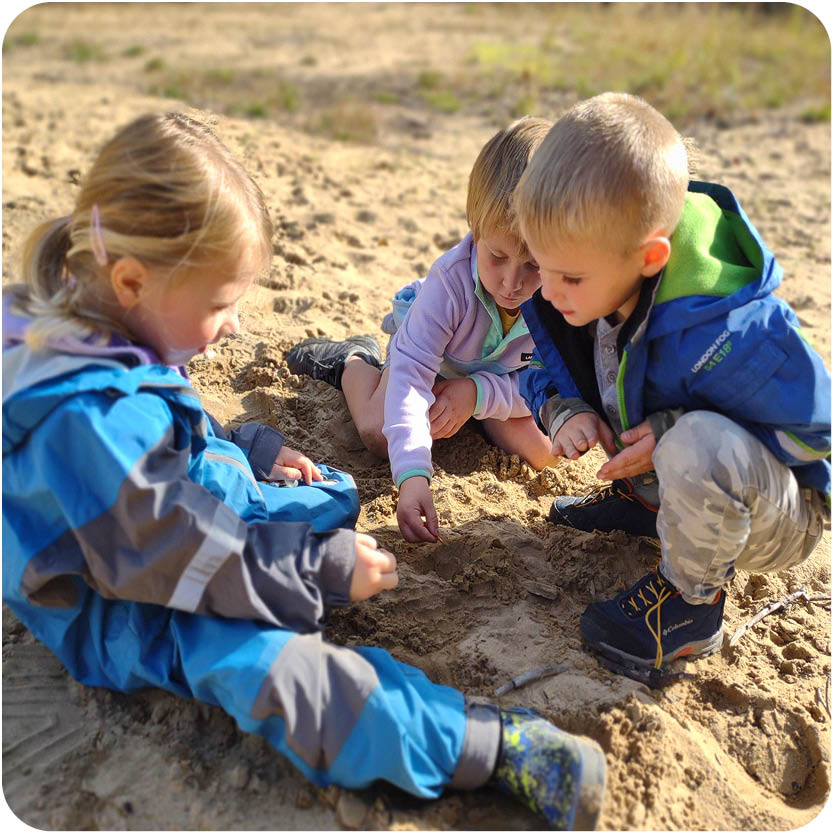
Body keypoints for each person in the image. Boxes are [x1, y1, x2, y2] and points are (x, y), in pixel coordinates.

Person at [2, 111, 606, 830]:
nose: (233, 327)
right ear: (132, 278)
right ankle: (488, 746)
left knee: (333, 499)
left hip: (159, 516)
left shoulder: (99, 322)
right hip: (134, 604)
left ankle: (313, 533)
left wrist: (249, 446)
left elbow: (160, 429)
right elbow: (170, 548)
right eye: (222, 305)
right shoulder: (86, 421)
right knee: (284, 675)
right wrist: (312, 569)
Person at [512, 92, 831, 674]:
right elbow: (537, 364)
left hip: (780, 512)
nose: (548, 291)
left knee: (691, 442)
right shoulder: (586, 282)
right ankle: (650, 501)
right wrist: (565, 409)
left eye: (569, 277)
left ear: (651, 257)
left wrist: (670, 429)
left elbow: (818, 432)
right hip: (690, 478)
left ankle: (692, 605)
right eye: (541, 265)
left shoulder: (728, 329)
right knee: (668, 433)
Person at [286, 117, 556, 542]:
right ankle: (352, 360)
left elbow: (549, 380)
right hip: (434, 360)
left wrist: (477, 395)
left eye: (535, 265)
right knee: (379, 433)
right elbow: (412, 378)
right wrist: (413, 477)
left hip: (495, 376)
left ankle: (469, 410)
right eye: (497, 256)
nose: (511, 282)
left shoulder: (563, 296)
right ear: (476, 228)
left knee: (545, 452)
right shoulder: (449, 283)